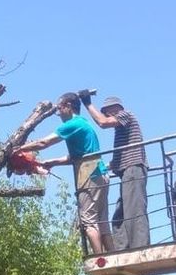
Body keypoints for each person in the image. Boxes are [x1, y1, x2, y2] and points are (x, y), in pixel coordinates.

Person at [12, 92, 112, 254]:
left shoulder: (72, 124)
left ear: (68, 106)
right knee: (101, 220)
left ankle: (100, 258)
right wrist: (52, 162)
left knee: (88, 220)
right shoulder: (83, 124)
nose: (58, 113)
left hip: (89, 172)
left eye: (59, 108)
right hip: (100, 172)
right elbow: (75, 156)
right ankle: (112, 255)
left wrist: (19, 148)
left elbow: (44, 142)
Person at [78, 92, 149, 250]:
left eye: (107, 111)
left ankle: (140, 247)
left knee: (134, 209)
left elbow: (103, 123)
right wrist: (101, 167)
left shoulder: (126, 115)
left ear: (116, 108)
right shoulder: (121, 131)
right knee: (120, 214)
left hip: (134, 167)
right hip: (126, 170)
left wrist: (87, 103)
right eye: (104, 112)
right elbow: (117, 160)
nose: (106, 115)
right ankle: (121, 248)